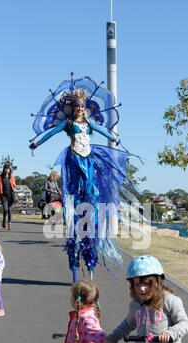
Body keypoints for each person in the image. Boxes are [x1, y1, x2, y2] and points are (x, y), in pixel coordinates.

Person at [29, 76, 141, 276]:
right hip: (74, 160)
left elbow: (103, 130)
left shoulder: (88, 123)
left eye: (82, 106)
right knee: (76, 190)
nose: (80, 109)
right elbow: (52, 133)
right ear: (73, 108)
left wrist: (114, 137)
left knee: (91, 191)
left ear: (85, 107)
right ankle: (76, 207)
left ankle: (90, 209)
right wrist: (37, 143)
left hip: (88, 159)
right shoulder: (68, 123)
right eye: (77, 107)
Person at [0, 163, 16, 230]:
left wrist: (14, 184)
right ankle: (4, 219)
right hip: (3, 195)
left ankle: (9, 223)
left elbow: (14, 185)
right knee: (5, 209)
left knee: (10, 210)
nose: (7, 170)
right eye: (6, 168)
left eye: (8, 169)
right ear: (4, 169)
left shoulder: (11, 176)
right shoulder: (0, 177)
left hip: (10, 195)